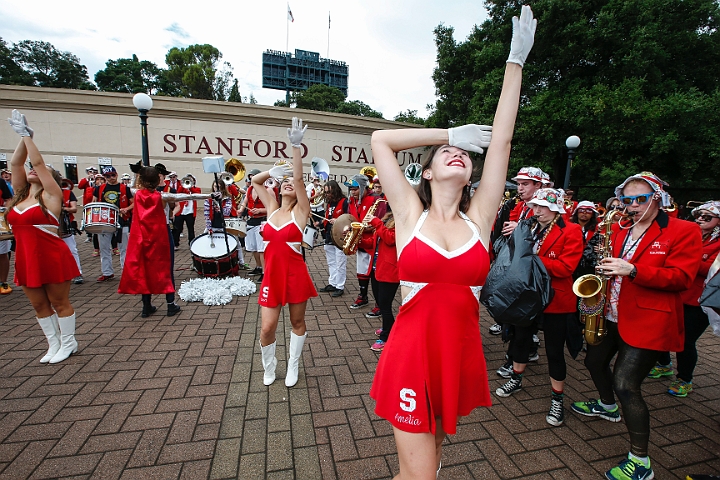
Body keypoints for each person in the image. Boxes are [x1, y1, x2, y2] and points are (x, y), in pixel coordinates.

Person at [368, 7, 535, 477]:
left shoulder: (480, 219)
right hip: (410, 356)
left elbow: (500, 142)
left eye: (463, 150)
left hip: (456, 355)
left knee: (425, 467)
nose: (458, 152)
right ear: (427, 171)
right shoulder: (408, 215)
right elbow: (381, 140)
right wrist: (445, 132)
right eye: (447, 152)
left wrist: (515, 61)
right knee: (423, 475)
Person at [570, 172, 701, 480]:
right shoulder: (617, 228)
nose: (631, 206)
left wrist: (633, 270)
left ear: (657, 198)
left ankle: (640, 462)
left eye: (639, 199)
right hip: (611, 313)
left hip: (649, 319)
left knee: (626, 385)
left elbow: (682, 277)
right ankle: (606, 406)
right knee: (593, 361)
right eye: (627, 200)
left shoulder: (684, 230)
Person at [494, 188, 584, 427]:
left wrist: (530, 260)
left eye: (542, 207)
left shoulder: (572, 230)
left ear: (555, 208)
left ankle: (557, 398)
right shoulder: (530, 225)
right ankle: (516, 378)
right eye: (535, 206)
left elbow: (566, 268)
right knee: (520, 340)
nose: (537, 211)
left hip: (556, 298)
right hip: (528, 296)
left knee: (554, 351)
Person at [6, 110, 80, 363]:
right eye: (34, 169)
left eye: (44, 170)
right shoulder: (19, 195)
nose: (35, 170)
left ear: (52, 179)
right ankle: (54, 344)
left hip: (50, 255)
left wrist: (29, 138)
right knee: (39, 306)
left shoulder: (50, 196)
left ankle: (69, 343)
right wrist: (23, 138)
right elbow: (17, 164)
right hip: (26, 257)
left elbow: (37, 163)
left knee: (59, 303)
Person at [253, 117, 318, 388]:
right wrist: (274, 170)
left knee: (297, 321)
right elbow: (256, 181)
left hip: (295, 275)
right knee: (267, 328)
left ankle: (293, 364)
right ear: (279, 186)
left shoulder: (301, 212)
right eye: (286, 181)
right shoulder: (271, 208)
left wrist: (296, 147)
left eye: (293, 181)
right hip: (272, 277)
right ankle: (270, 367)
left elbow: (301, 179)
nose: (290, 182)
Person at [646, 201, 720, 397]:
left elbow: (710, 270)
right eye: (698, 215)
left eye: (707, 217)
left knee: (686, 340)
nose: (700, 219)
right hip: (677, 294)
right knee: (662, 330)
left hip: (700, 300)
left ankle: (685, 379)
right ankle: (664, 364)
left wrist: (684, 259)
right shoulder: (691, 234)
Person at [119, 167, 208, 317]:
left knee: (144, 268)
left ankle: (146, 305)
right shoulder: (162, 196)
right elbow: (187, 197)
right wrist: (211, 195)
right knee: (166, 268)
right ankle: (170, 304)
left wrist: (136, 175)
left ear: (141, 181)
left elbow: (128, 187)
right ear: (156, 181)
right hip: (160, 236)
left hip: (141, 237)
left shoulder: (137, 194)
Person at [489, 165, 546, 336]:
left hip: (531, 267)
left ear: (538, 185)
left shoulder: (546, 208)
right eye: (519, 184)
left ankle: (527, 344)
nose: (520, 188)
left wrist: (519, 228)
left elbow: (544, 235)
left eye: (525, 184)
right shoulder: (520, 205)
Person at [361, 207, 399, 352]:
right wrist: (359, 240)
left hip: (390, 270)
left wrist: (376, 222)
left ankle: (386, 337)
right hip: (377, 267)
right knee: (380, 301)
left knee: (385, 304)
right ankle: (389, 327)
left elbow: (390, 239)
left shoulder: (402, 221)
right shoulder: (388, 217)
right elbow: (374, 241)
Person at [92, 166, 133, 280]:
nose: (111, 178)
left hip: (122, 220)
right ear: (104, 177)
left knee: (124, 248)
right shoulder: (99, 188)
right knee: (104, 247)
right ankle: (107, 272)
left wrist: (127, 209)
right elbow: (94, 203)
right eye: (107, 176)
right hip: (104, 221)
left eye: (113, 175)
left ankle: (126, 272)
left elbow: (133, 203)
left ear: (117, 174)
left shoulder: (125, 188)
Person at [345, 173, 378, 309]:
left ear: (363, 187)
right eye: (351, 189)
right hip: (360, 240)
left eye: (355, 189)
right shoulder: (351, 201)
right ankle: (363, 296)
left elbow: (383, 221)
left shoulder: (375, 199)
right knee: (362, 270)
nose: (352, 192)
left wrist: (370, 227)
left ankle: (379, 303)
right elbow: (350, 218)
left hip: (375, 242)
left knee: (376, 274)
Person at [239, 169, 270, 282]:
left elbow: (274, 207)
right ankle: (258, 267)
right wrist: (241, 209)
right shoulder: (249, 189)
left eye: (254, 176)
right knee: (253, 247)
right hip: (251, 221)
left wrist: (261, 210)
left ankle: (265, 273)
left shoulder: (267, 190)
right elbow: (245, 201)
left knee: (262, 249)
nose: (251, 179)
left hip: (262, 221)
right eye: (251, 176)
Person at [320, 180, 348, 297]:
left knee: (340, 261)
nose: (327, 195)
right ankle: (333, 282)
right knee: (331, 261)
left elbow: (349, 218)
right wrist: (322, 223)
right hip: (329, 234)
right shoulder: (330, 202)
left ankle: (340, 286)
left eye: (329, 192)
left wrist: (338, 220)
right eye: (326, 193)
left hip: (340, 235)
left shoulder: (345, 202)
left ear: (335, 190)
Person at [60, 179, 84, 284]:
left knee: (71, 250)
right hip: (48, 226)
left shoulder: (68, 193)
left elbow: (74, 208)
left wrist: (63, 209)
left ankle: (77, 273)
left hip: (65, 224)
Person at [173, 174, 200, 247]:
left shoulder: (196, 189)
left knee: (190, 229)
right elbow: (177, 193)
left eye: (191, 180)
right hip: (181, 211)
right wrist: (183, 185)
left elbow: (196, 194)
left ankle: (191, 243)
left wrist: (190, 187)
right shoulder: (182, 188)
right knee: (177, 228)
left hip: (190, 212)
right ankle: (175, 243)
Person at [0, 175, 13, 294]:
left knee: (2, 253)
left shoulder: (1, 182)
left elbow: (8, 198)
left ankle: (3, 282)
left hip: (0, 220)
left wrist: (6, 211)